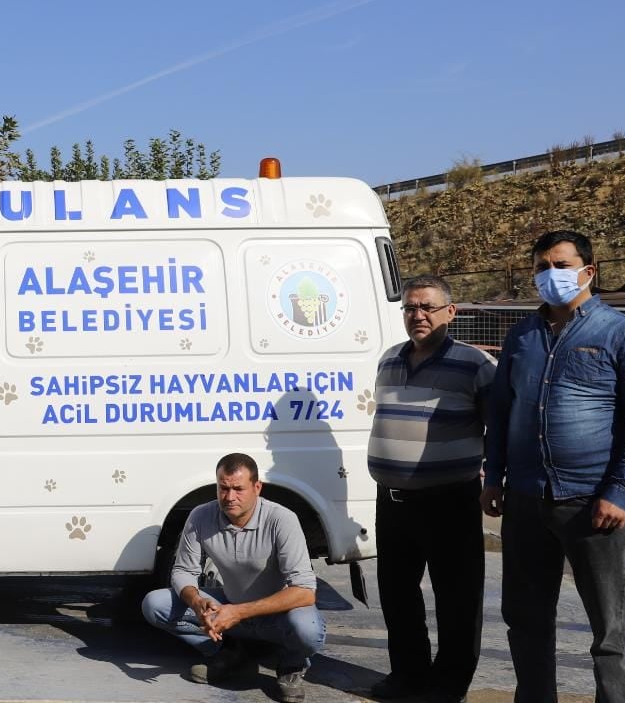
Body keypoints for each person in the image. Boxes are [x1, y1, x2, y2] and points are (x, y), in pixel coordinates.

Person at [482, 230, 625, 703]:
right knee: (525, 617)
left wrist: (621, 490)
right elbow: (501, 411)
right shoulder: (522, 336)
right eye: (542, 267)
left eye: (560, 265)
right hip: (526, 497)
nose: (550, 275)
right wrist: (494, 475)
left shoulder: (623, 334)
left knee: (608, 625)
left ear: (588, 271)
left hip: (593, 501)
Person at [367, 275, 496, 703]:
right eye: (409, 308)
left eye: (427, 307)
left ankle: (448, 685)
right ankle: (408, 674)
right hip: (393, 503)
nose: (417, 315)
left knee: (457, 599)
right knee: (398, 596)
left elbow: (500, 429)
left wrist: (496, 481)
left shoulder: (474, 366)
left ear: (450, 313)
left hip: (449, 503)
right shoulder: (389, 360)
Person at [141, 453, 324, 703]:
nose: (229, 497)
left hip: (276, 615)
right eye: (223, 488)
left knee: (309, 630)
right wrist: (197, 602)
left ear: (257, 487)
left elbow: (304, 590)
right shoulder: (200, 516)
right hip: (230, 605)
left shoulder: (282, 519)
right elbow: (183, 571)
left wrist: (237, 612)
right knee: (155, 604)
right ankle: (228, 651)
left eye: (238, 489)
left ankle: (291, 665)